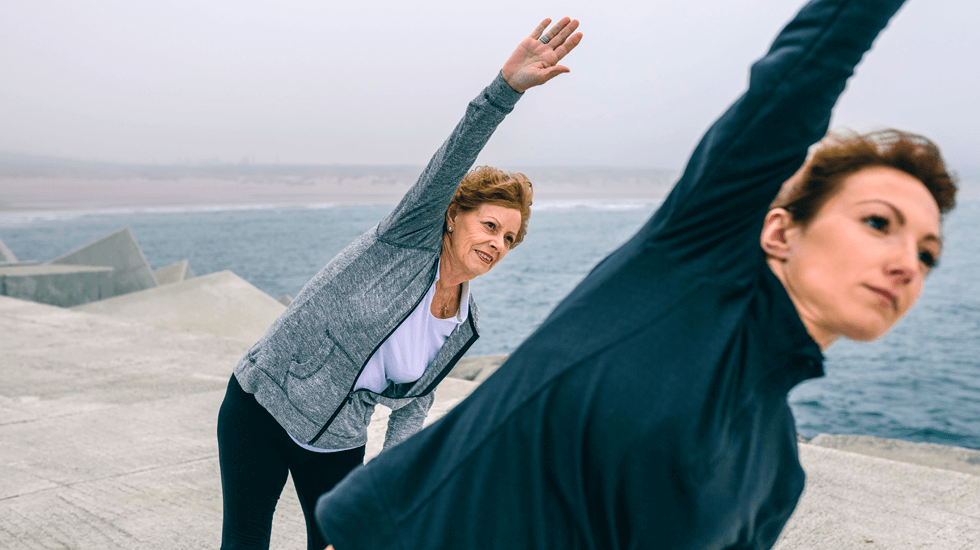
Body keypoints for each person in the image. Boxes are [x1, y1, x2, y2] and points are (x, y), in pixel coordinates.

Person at [314, 0, 958, 548]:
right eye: (878, 222)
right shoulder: (685, 270)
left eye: (927, 254)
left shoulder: (776, 471)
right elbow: (799, 77)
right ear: (780, 230)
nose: (907, 263)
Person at [216, 17, 583, 550]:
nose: (496, 244)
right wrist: (505, 90)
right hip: (261, 404)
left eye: (509, 238)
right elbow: (452, 157)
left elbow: (413, 407)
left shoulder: (464, 322)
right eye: (489, 225)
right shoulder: (405, 242)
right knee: (245, 541)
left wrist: (382, 493)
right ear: (454, 216)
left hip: (336, 441)